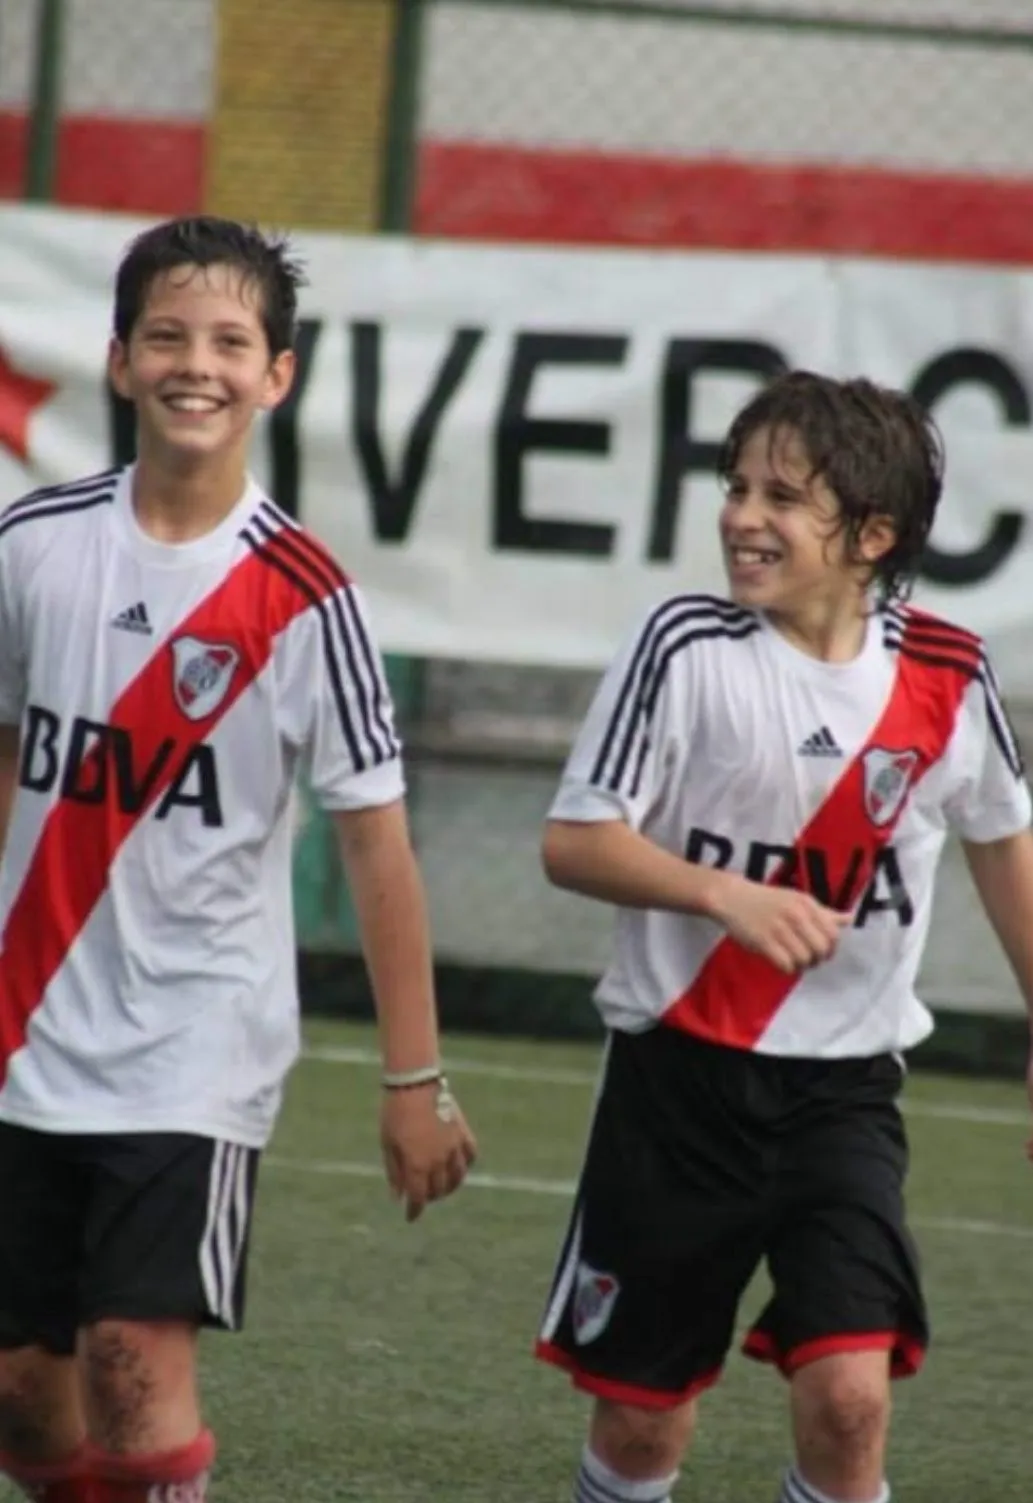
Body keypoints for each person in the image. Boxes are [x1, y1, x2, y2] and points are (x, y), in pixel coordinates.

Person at [0, 215, 476, 1503]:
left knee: (129, 1364)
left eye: (228, 342)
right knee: (24, 1397)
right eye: (166, 336)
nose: (194, 365)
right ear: (118, 362)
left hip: (194, 1043)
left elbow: (378, 847)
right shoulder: (32, 546)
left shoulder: (307, 597)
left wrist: (414, 1076)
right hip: (27, 1025)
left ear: (277, 375)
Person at [535, 370, 1033, 1503]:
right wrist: (726, 896)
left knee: (851, 1402)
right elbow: (574, 842)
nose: (741, 517)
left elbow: (1004, 842)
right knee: (642, 1423)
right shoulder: (682, 647)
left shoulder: (947, 674)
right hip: (675, 1085)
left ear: (871, 536)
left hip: (843, 1094)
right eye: (735, 487)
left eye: (781, 497)